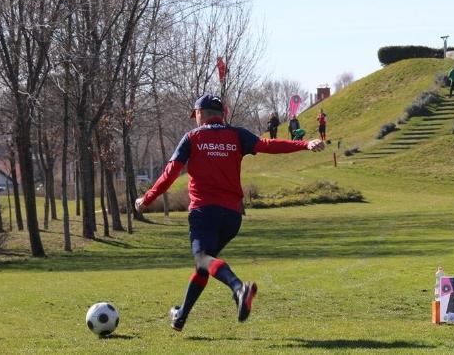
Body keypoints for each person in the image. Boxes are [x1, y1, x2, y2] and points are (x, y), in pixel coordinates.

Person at [134, 94, 325, 332]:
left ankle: (239, 288)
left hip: (204, 212)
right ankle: (181, 316)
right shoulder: (237, 135)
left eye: (195, 115)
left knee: (202, 258)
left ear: (200, 114)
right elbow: (268, 145)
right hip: (232, 217)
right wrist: (304, 144)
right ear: (222, 114)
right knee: (205, 265)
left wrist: (146, 199)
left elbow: (170, 174)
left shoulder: (192, 137)